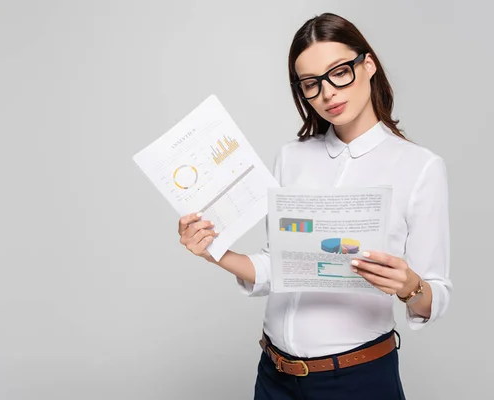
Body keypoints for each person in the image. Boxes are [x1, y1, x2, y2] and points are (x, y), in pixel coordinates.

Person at [177, 12, 452, 400]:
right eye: (311, 83)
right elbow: (280, 264)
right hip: (275, 376)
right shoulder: (292, 157)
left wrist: (409, 286)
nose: (328, 92)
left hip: (358, 379)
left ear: (368, 64)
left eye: (339, 72)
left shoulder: (420, 166)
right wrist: (213, 252)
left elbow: (434, 296)